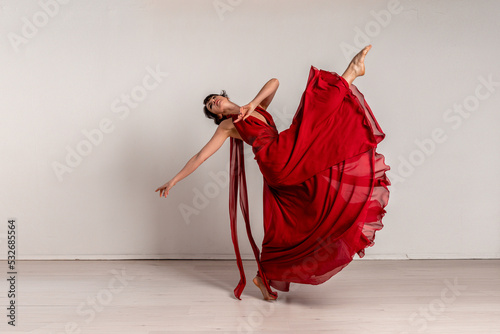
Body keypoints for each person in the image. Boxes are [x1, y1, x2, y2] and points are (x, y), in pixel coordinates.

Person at [155, 45, 390, 301]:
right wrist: (174, 179)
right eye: (212, 106)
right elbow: (200, 156)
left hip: (286, 155)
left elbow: (274, 82)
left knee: (293, 218)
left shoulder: (256, 107)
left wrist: (253, 103)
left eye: (214, 98)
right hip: (275, 160)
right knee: (310, 119)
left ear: (224, 97)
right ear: (218, 114)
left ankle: (263, 277)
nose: (214, 102)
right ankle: (351, 72)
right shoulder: (227, 126)